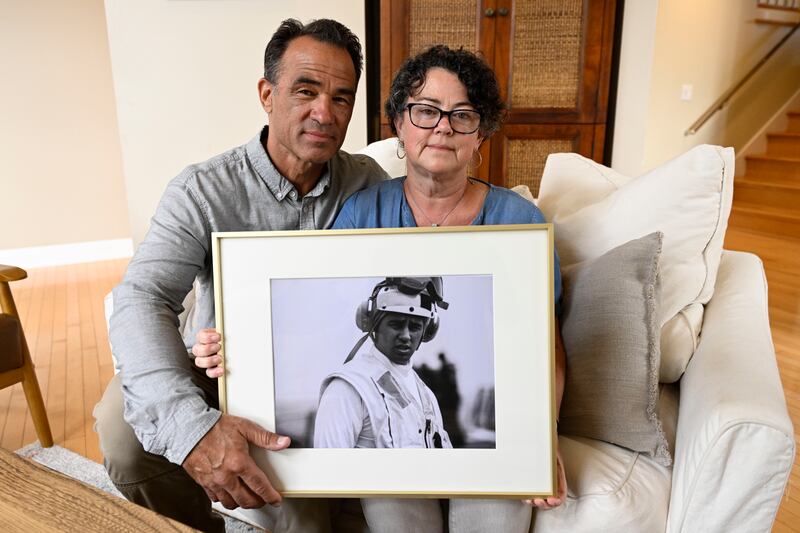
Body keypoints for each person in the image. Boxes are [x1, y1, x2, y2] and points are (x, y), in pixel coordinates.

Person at [195, 45, 568, 532]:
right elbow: (301, 316)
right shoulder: (360, 214)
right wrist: (233, 348)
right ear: (398, 123)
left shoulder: (520, 222)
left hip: (497, 450)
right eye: (426, 111)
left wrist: (544, 440)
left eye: (463, 115)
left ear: (482, 134)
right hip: (386, 462)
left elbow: (548, 352)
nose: (443, 127)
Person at [93, 18, 388, 533]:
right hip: (217, 371)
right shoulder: (201, 190)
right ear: (267, 94)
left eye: (342, 98)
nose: (324, 112)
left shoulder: (369, 184)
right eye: (306, 90)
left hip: (315, 385)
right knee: (120, 429)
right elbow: (141, 297)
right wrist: (191, 430)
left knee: (304, 513)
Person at [314, 277, 452, 449]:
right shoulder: (348, 389)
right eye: (396, 324)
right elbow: (329, 469)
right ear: (374, 327)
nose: (406, 335)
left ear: (427, 332)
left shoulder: (427, 397)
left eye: (415, 326)